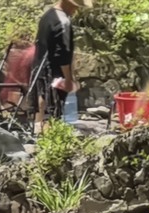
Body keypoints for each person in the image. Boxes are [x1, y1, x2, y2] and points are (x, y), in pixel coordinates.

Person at [34, 0, 91, 129]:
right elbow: (63, 54)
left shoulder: (47, 15)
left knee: (43, 97)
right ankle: (52, 134)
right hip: (55, 71)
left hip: (41, 66)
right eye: (74, 7)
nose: (75, 10)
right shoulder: (63, 22)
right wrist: (68, 78)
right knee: (55, 106)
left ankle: (39, 129)